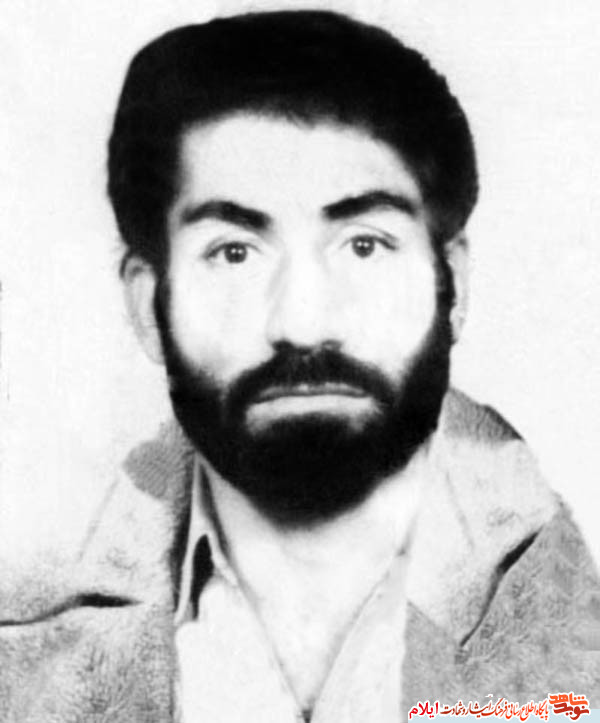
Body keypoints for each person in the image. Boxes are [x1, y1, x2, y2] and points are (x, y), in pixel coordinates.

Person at [1, 9, 599, 722]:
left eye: (364, 245)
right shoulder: (22, 653)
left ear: (454, 285)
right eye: (234, 253)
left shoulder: (577, 597)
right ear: (147, 306)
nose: (302, 323)